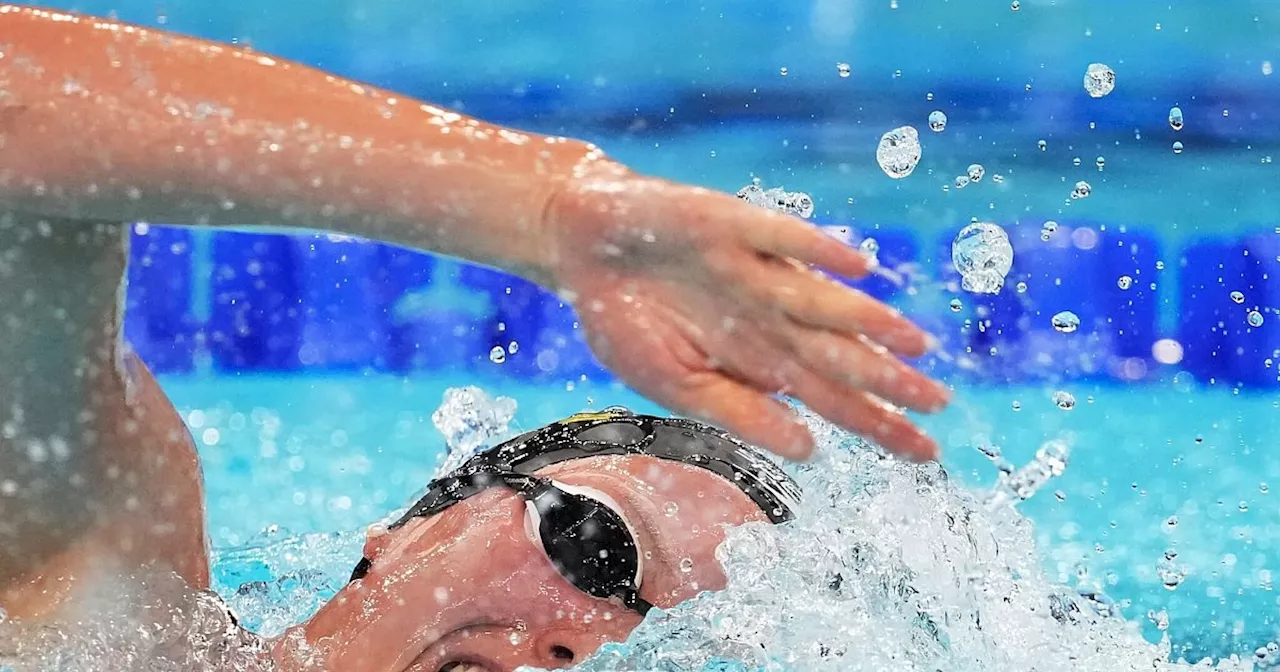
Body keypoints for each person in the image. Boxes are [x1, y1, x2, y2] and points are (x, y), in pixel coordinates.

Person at [0, 4, 950, 670]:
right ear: (412, 532)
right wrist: (547, 208)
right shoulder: (106, 612)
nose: (596, 644)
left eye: (688, 652)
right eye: (597, 547)